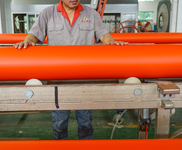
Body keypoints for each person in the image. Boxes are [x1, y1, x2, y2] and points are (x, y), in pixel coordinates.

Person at [14, 0, 127, 140]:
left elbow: (103, 35)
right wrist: (27, 40)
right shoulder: (48, 14)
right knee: (59, 125)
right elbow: (34, 35)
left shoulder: (91, 14)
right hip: (58, 81)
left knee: (85, 124)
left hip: (84, 80)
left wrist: (111, 42)